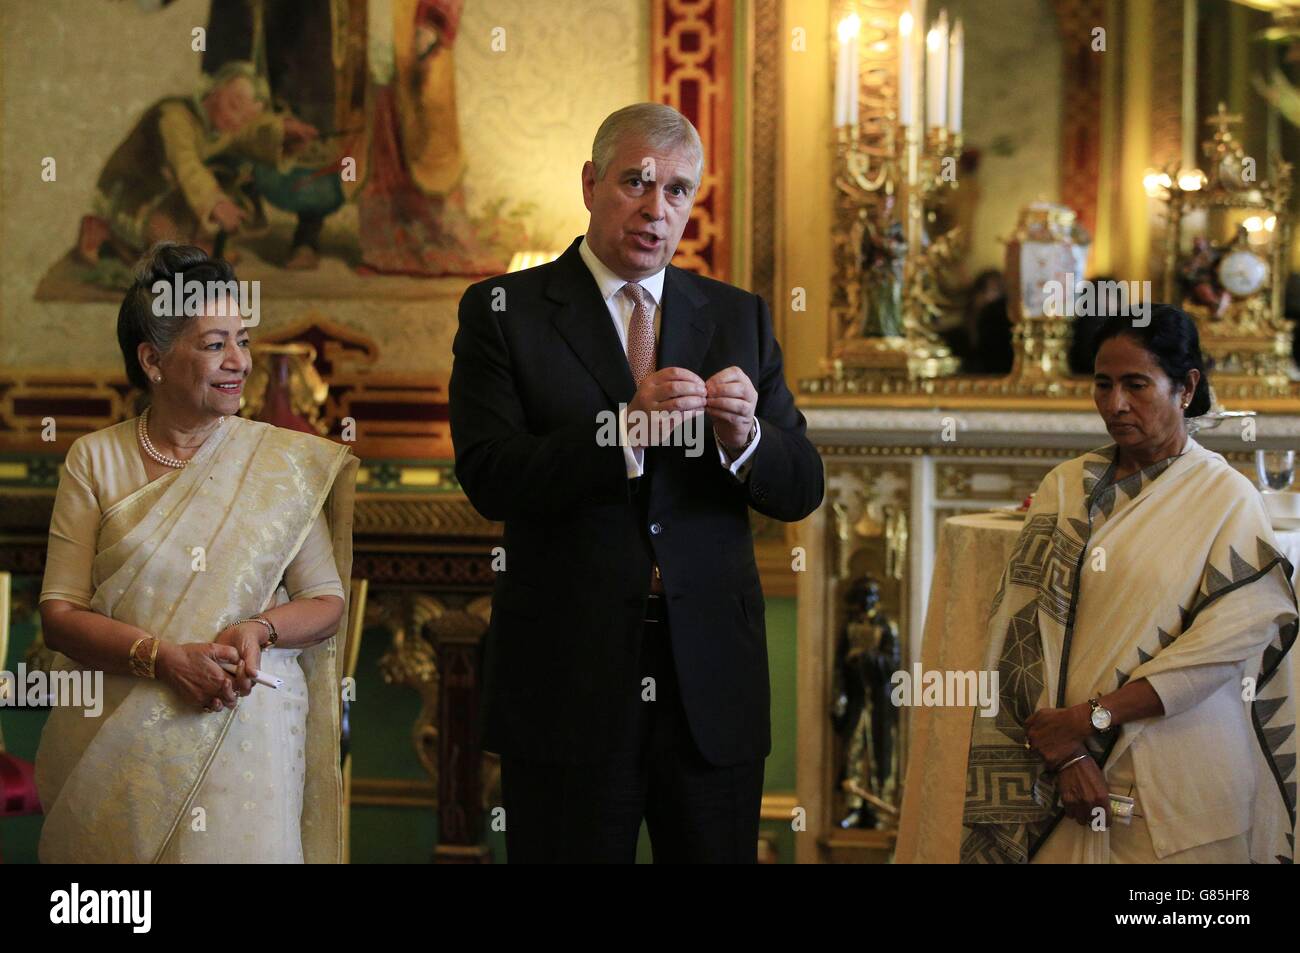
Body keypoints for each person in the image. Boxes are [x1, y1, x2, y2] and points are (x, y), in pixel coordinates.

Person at [449, 102, 825, 863]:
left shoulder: (737, 317)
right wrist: (618, 430)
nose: (658, 211)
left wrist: (745, 439)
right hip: (569, 677)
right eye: (637, 184)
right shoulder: (504, 312)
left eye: (680, 191)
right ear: (590, 184)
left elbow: (802, 482)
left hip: (709, 684)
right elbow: (490, 475)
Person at [35, 243, 358, 863]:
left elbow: (326, 601)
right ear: (153, 360)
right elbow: (59, 613)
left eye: (243, 340)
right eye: (215, 345)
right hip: (117, 739)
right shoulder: (94, 459)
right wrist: (164, 660)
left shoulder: (280, 462)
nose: (239, 361)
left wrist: (258, 628)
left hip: (246, 733)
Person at [961, 304, 1296, 863]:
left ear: (1186, 388)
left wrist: (1091, 719)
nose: (1115, 404)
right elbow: (1017, 636)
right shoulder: (1065, 488)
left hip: (1180, 784)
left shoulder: (1226, 499)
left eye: (1136, 384)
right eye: (1103, 384)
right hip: (1061, 780)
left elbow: (1222, 648)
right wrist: (1066, 753)